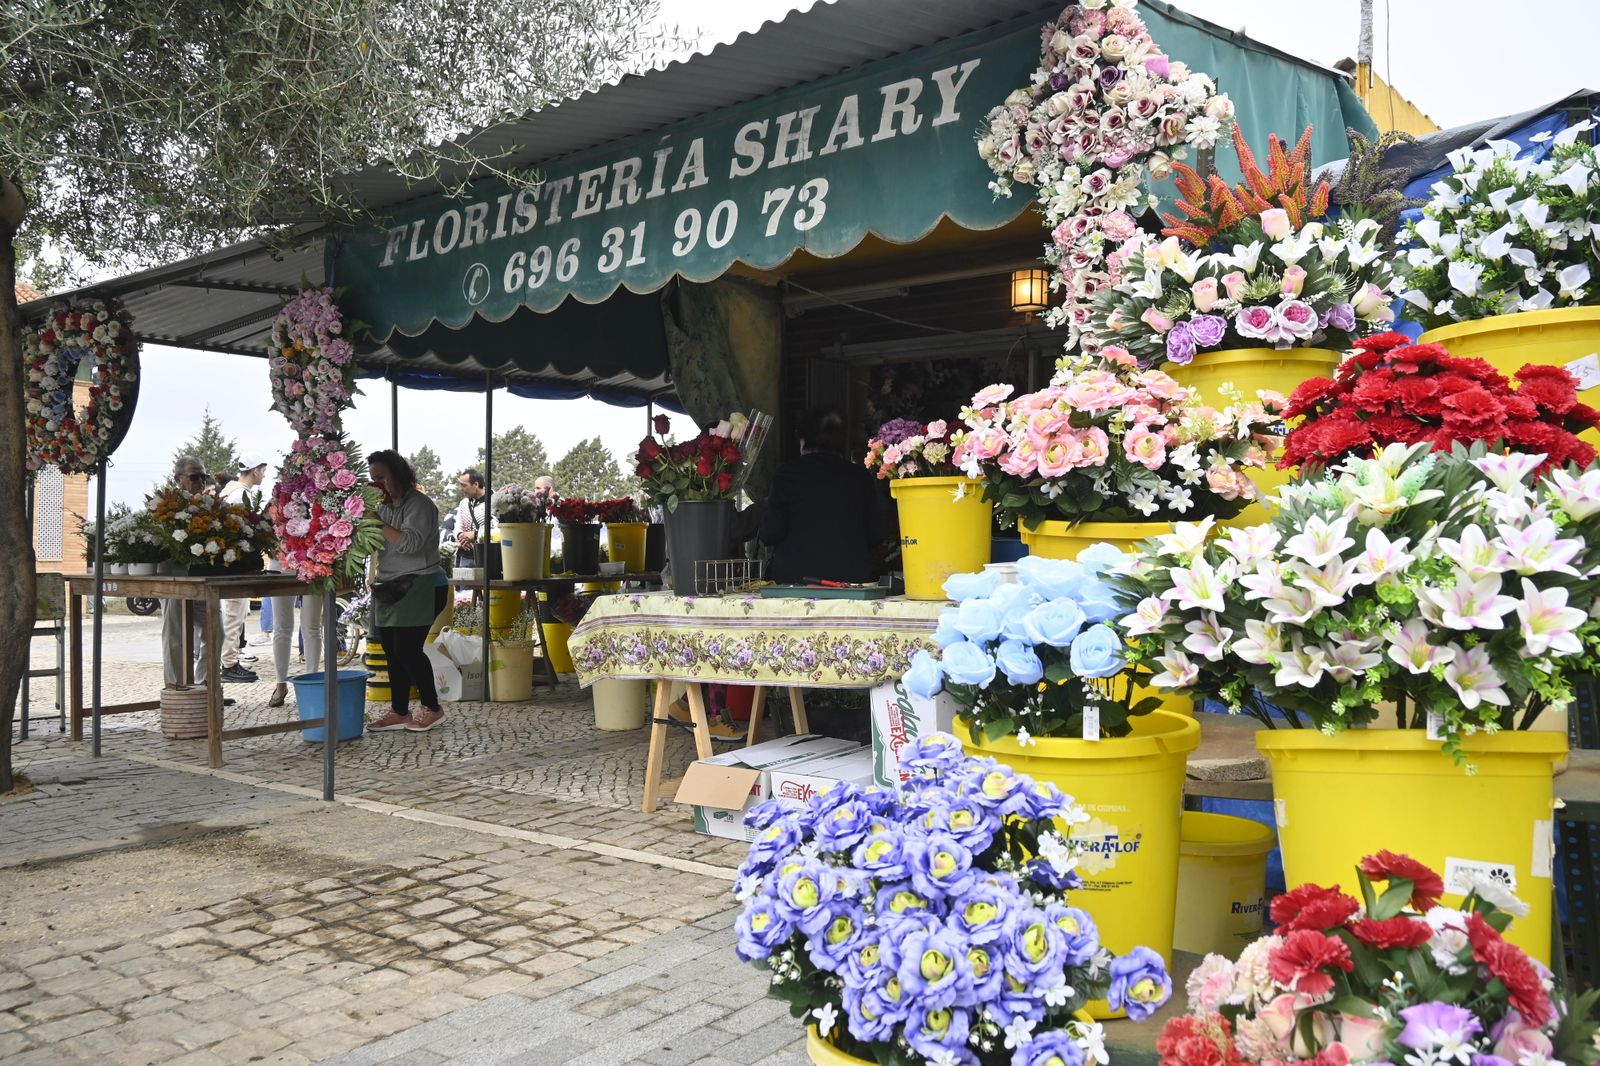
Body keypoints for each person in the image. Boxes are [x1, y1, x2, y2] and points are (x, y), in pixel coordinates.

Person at [759, 406, 886, 585]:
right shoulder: (859, 477)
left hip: (794, 582)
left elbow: (770, 533)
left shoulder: (786, 474)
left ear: (803, 439)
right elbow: (876, 534)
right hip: (851, 582)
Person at [366, 450, 445, 732]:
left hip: (420, 583)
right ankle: (400, 711)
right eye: (373, 479)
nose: (377, 485)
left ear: (398, 475)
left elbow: (410, 544)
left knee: (407, 649)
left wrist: (375, 520)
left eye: (382, 478)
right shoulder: (385, 508)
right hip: (388, 585)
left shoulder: (420, 505)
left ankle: (432, 708)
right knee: (390, 649)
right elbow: (376, 546)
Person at [217, 454, 269, 683]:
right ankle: (228, 663)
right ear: (255, 471)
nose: (264, 475)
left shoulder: (231, 490)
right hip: (236, 560)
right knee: (233, 613)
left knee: (235, 612)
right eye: (263, 470)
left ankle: (229, 660)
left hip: (232, 559)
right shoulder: (240, 494)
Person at [161, 455, 212, 689]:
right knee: (175, 637)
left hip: (203, 581)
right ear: (179, 479)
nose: (201, 481)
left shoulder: (209, 506)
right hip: (174, 580)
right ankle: (176, 689)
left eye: (204, 476)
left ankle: (204, 685)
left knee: (215, 633)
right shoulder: (165, 506)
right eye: (195, 477)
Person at [453, 468, 494, 557]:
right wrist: (461, 537)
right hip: (466, 554)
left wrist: (475, 535)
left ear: (475, 484)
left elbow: (498, 529)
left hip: (487, 554)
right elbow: (457, 528)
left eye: (464, 485)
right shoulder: (463, 503)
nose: (461, 489)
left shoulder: (494, 502)